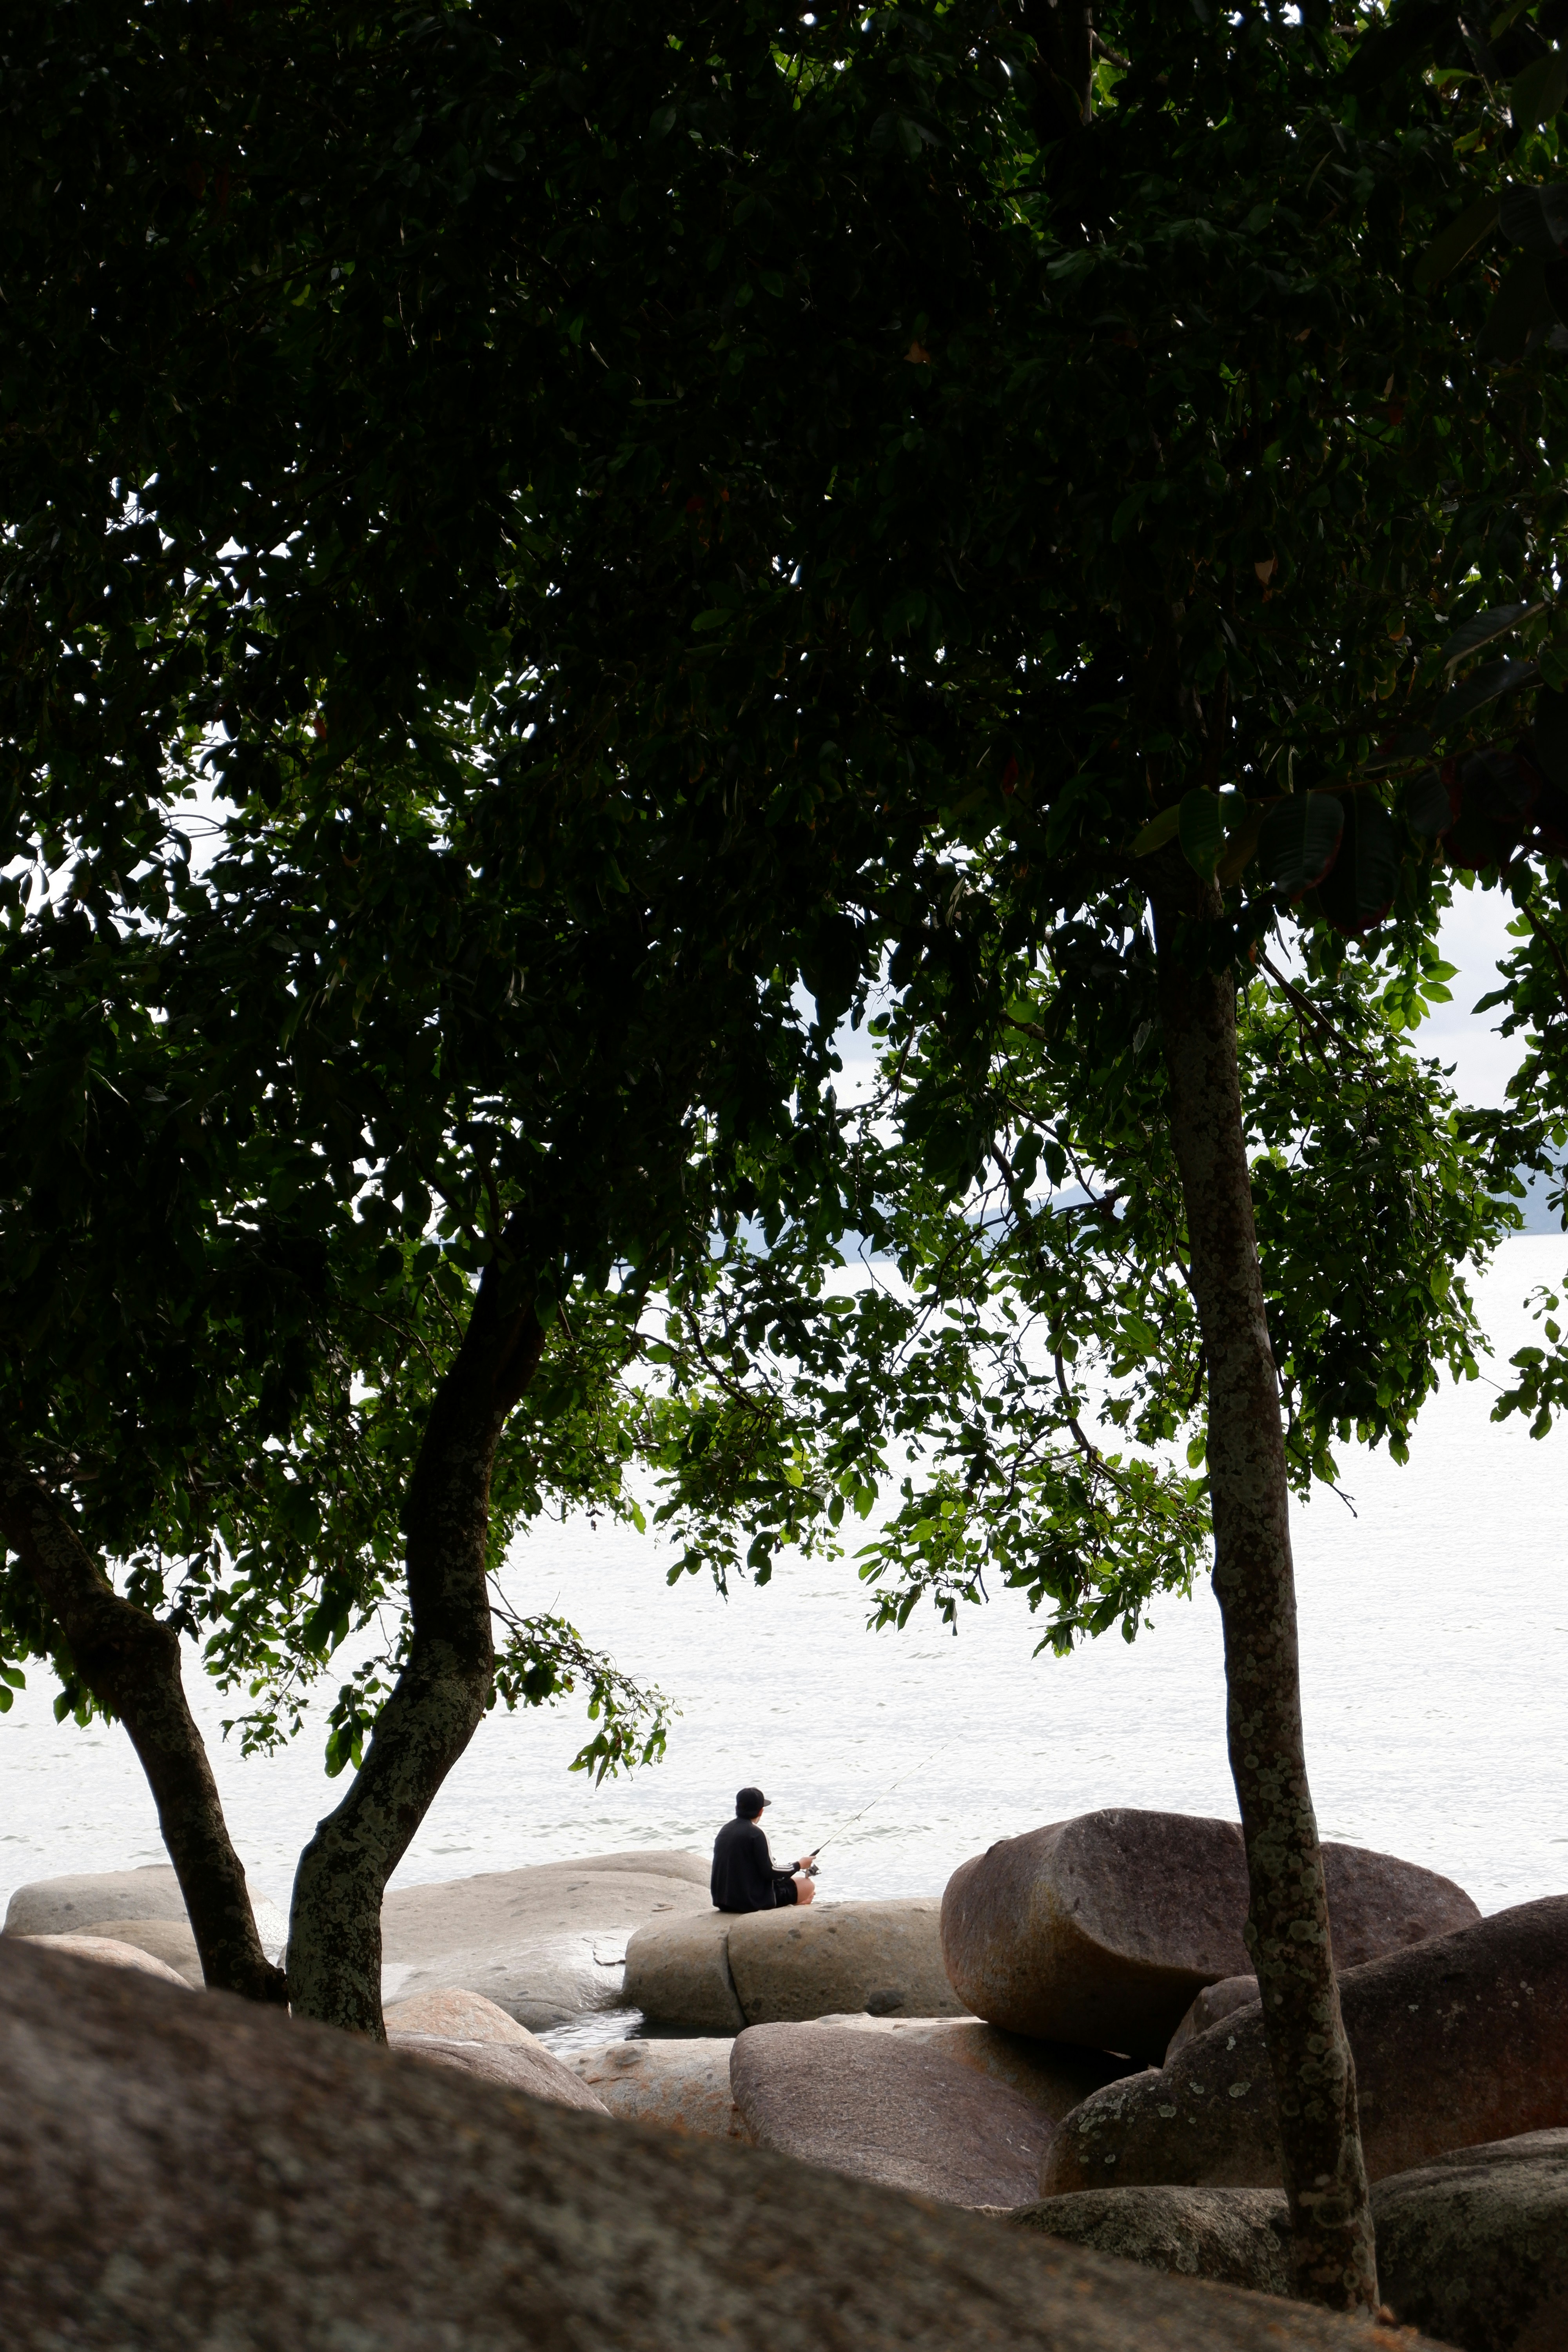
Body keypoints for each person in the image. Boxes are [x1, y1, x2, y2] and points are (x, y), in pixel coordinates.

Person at [710, 1786, 817, 1912]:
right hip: (749, 1902)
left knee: (793, 1883)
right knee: (808, 1886)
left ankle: (796, 1903)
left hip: (723, 1901)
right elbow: (771, 1871)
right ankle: (796, 1905)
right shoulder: (756, 1833)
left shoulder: (725, 1830)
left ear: (736, 1808)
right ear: (761, 1811)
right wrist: (799, 1865)